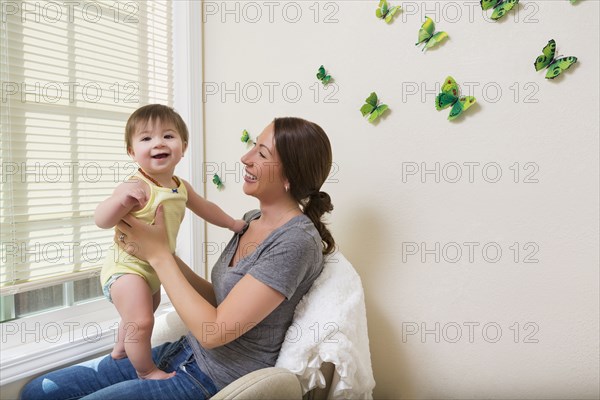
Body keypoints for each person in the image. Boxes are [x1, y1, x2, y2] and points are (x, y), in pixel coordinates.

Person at [21, 117, 335, 400]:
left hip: (211, 380)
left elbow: (214, 332)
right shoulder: (251, 220)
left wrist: (159, 256)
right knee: (37, 392)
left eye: (261, 154)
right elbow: (222, 301)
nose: (245, 157)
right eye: (253, 145)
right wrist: (156, 251)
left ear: (289, 178)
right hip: (183, 352)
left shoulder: (295, 242)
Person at [94, 104, 247, 380]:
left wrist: (232, 224)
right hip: (126, 267)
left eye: (168, 136)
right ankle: (146, 371)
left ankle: (120, 350)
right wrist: (120, 200)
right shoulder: (135, 185)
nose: (158, 143)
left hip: (154, 268)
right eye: (146, 138)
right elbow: (101, 220)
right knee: (141, 321)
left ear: (183, 146)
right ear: (131, 152)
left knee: (141, 313)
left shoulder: (181, 186)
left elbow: (207, 208)